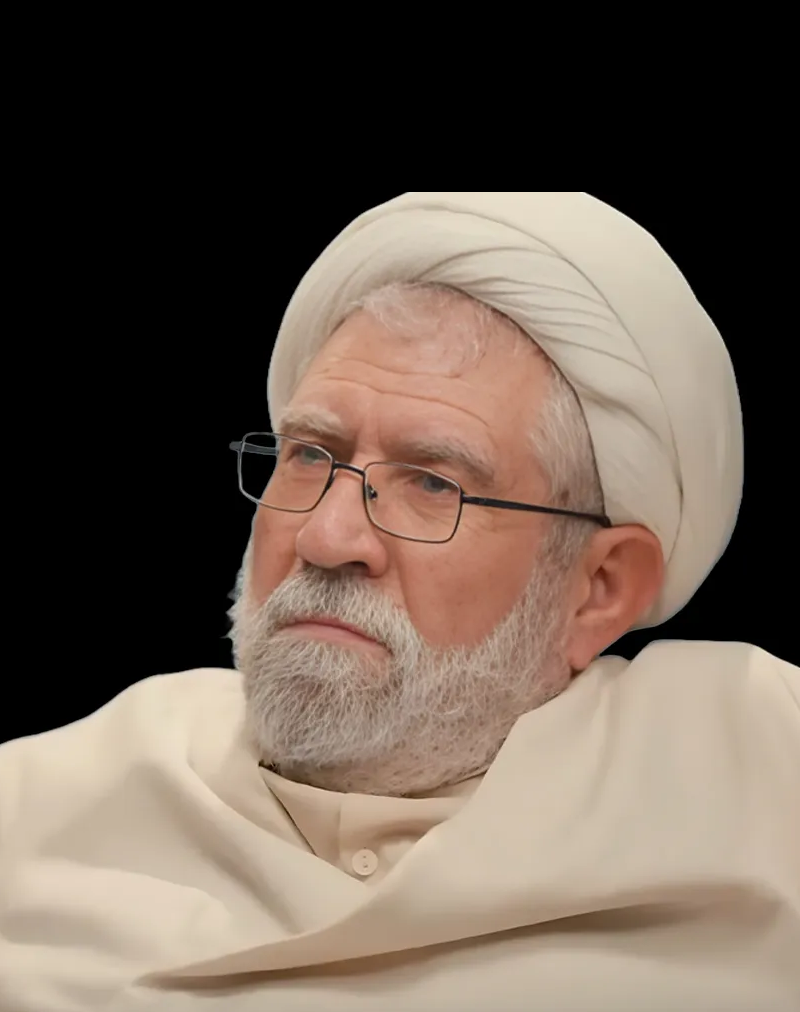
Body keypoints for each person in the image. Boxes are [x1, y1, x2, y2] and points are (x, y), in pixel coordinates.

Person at [1, 192, 798, 1011]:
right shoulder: (43, 805)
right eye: (311, 455)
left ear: (598, 589)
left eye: (432, 483)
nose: (327, 537)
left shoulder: (761, 769)